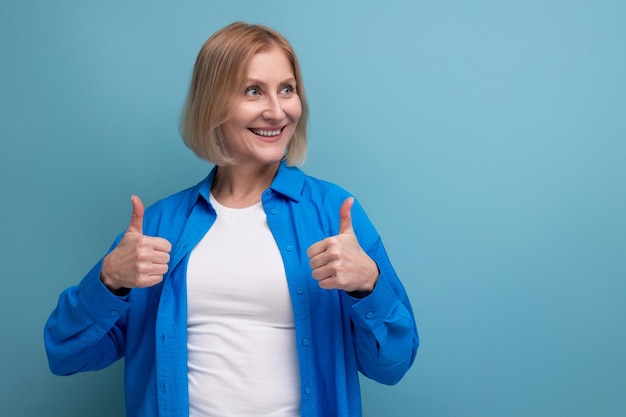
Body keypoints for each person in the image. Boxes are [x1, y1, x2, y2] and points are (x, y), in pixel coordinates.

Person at [44, 21, 419, 417]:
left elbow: (392, 365)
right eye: (253, 91)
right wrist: (109, 281)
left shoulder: (334, 214)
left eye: (287, 89)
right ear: (213, 103)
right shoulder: (160, 224)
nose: (277, 111)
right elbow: (66, 354)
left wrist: (369, 287)